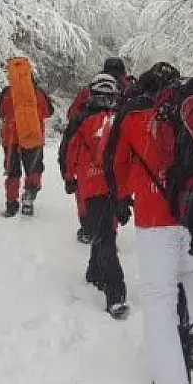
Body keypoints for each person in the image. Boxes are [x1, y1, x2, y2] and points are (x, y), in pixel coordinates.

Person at [103, 62, 193, 384]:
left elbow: (116, 164)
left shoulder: (135, 116)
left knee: (158, 298)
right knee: (188, 272)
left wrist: (122, 199)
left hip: (156, 218)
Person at [61, 73, 129, 318]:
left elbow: (70, 150)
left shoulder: (81, 119)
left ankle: (103, 281)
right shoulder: (122, 120)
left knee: (103, 235)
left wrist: (69, 177)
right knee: (106, 235)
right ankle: (112, 290)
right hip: (116, 186)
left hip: (91, 186)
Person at [59, 57, 135, 239]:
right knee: (112, 192)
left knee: (86, 191)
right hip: (116, 161)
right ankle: (109, 230)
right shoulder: (129, 90)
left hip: (88, 160)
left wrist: (68, 175)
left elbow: (72, 116)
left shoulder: (89, 92)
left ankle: (88, 229)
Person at [0, 66, 54, 217]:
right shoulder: (38, 93)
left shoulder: (8, 92)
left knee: (12, 172)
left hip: (11, 139)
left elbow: (0, 111)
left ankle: (11, 204)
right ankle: (29, 196)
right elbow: (49, 111)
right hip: (33, 137)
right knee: (34, 169)